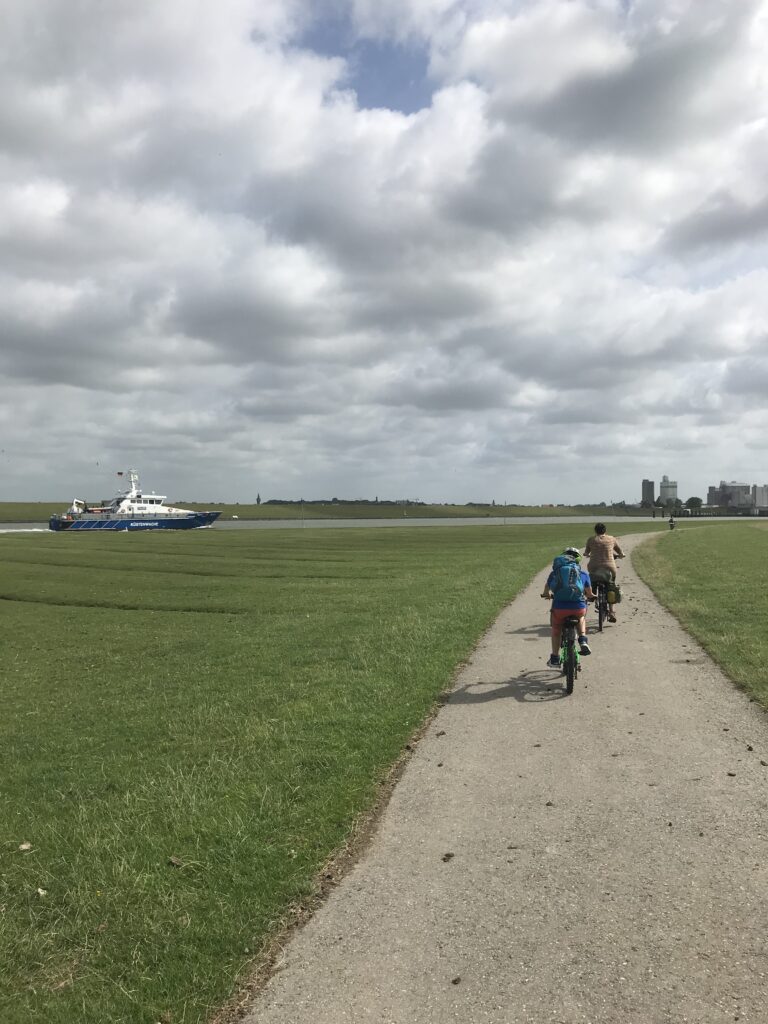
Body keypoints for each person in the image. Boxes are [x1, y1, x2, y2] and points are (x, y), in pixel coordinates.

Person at [541, 547, 594, 668]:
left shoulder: (555, 573)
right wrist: (591, 596)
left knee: (556, 630)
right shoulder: (583, 574)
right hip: (578, 607)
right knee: (581, 618)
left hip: (559, 608)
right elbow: (589, 593)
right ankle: (582, 640)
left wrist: (546, 595)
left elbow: (546, 589)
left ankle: (555, 658)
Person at [584, 522, 625, 623]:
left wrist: (587, 554)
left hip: (594, 567)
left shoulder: (591, 539)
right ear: (605, 530)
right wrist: (621, 555)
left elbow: (586, 552)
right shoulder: (612, 539)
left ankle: (591, 595)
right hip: (609, 568)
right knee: (611, 587)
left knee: (592, 581)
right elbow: (619, 551)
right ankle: (612, 612)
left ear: (595, 531)